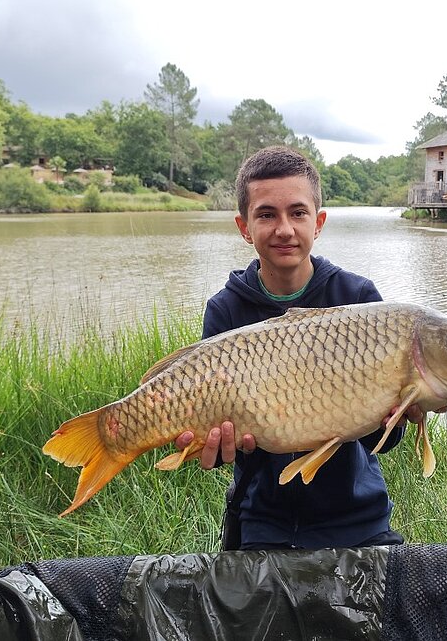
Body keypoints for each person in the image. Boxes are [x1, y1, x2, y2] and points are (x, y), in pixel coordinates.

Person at [175, 145, 422, 550]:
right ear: (244, 227)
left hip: (357, 515)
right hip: (263, 520)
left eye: (298, 213)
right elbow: (220, 454)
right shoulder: (226, 308)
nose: (284, 229)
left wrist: (403, 412)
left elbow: (382, 441)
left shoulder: (358, 296)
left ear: (318, 222)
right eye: (267, 215)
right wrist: (216, 448)